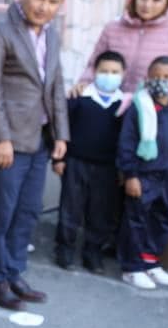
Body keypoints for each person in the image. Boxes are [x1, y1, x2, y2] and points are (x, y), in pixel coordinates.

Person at [0, 0, 70, 310]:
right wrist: (0, 138)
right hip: (9, 141)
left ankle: (14, 271)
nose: (44, 7)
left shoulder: (53, 35)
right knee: (2, 212)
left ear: (60, 4)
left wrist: (61, 134)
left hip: (40, 139)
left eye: (52, 2)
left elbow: (56, 86)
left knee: (28, 211)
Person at [53, 51, 126, 274]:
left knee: (100, 212)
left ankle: (92, 253)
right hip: (76, 162)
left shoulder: (125, 104)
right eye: (104, 71)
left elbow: (127, 139)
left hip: (107, 167)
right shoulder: (79, 98)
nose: (109, 76)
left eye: (114, 72)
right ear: (94, 71)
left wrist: (123, 169)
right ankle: (65, 249)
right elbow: (63, 129)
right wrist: (59, 158)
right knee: (70, 208)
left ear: (123, 74)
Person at [117, 56, 168, 289]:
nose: (161, 81)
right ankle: (132, 267)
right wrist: (131, 175)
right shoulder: (139, 106)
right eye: (156, 76)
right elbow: (127, 143)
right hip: (144, 176)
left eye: (167, 77)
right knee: (136, 221)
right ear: (147, 78)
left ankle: (151, 263)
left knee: (162, 221)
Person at [70, 0, 168, 102]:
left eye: (156, 0)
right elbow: (94, 63)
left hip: (152, 106)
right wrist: (84, 83)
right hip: (110, 101)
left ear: (167, 3)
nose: (147, 5)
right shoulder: (113, 28)